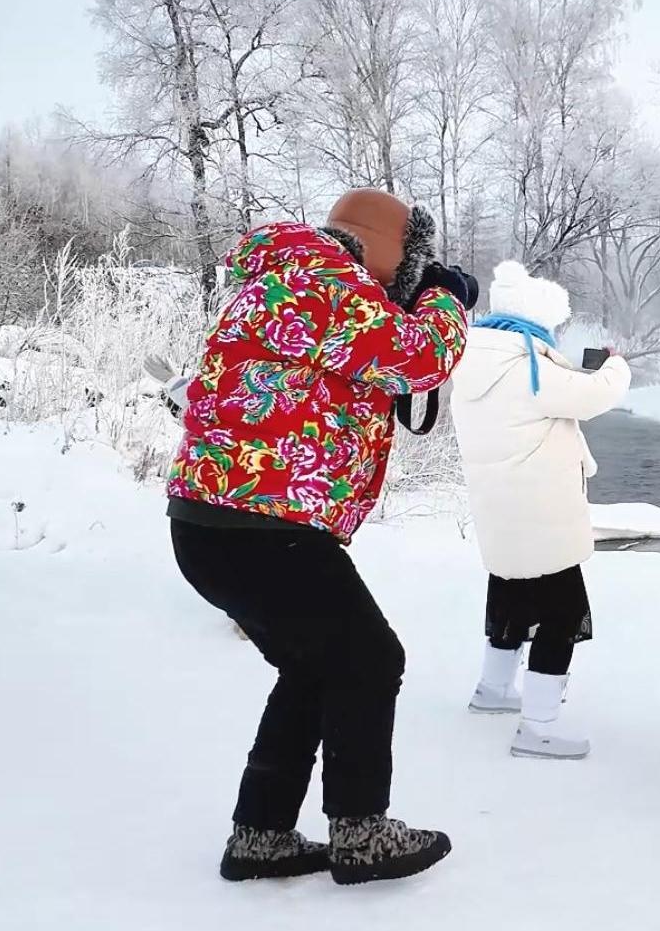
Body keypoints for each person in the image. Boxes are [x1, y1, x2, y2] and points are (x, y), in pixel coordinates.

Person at [166, 188, 477, 885]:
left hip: (221, 523)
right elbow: (416, 357)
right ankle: (361, 832)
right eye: (413, 259)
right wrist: (445, 297)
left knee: (316, 667)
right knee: (370, 658)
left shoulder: (295, 275)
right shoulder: (320, 276)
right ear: (391, 249)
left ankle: (262, 835)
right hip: (260, 525)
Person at [450, 261, 630, 760]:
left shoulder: (474, 361)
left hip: (501, 510)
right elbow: (594, 396)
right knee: (562, 614)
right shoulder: (527, 366)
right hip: (541, 514)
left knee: (510, 594)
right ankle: (539, 727)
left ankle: (493, 690)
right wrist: (616, 365)